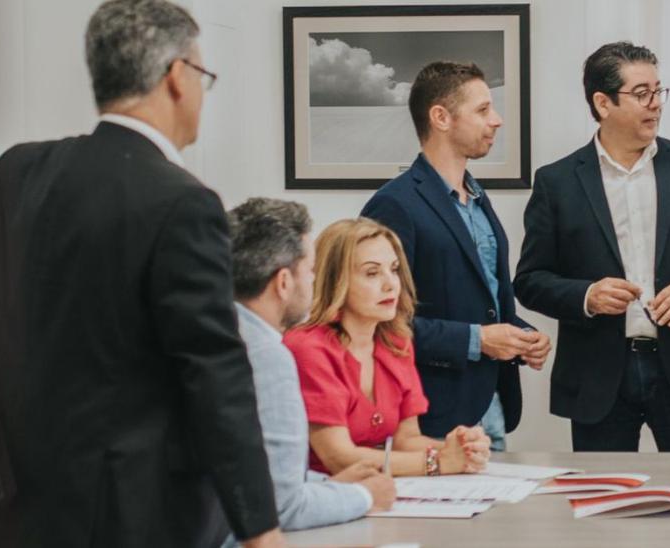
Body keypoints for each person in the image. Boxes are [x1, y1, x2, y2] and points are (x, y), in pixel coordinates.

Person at [0, 1, 282, 546]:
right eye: (204, 77)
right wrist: (260, 527)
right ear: (176, 77)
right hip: (136, 515)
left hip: (23, 502)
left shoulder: (17, 172)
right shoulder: (183, 203)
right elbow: (214, 372)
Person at [513, 41, 670, 452]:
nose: (655, 104)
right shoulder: (557, 182)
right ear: (603, 103)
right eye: (642, 94)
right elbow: (530, 281)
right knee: (603, 507)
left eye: (659, 91)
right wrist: (586, 295)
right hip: (598, 378)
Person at [360, 61, 551, 451]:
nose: (496, 120)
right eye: (482, 110)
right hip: (430, 417)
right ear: (441, 117)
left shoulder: (479, 200)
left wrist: (521, 334)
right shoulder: (393, 205)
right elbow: (380, 323)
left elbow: (483, 303)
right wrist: (478, 340)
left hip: (492, 407)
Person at [225, 198, 394, 540]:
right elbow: (283, 507)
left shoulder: (215, 334)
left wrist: (327, 487)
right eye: (311, 271)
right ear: (283, 282)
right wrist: (365, 495)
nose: (315, 282)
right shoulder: (267, 356)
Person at [285, 218, 492, 476]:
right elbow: (337, 457)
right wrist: (438, 462)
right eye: (372, 273)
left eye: (394, 269)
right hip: (314, 494)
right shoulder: (308, 348)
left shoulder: (396, 341)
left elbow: (407, 440)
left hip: (372, 490)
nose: (390, 284)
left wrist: (459, 450)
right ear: (336, 280)